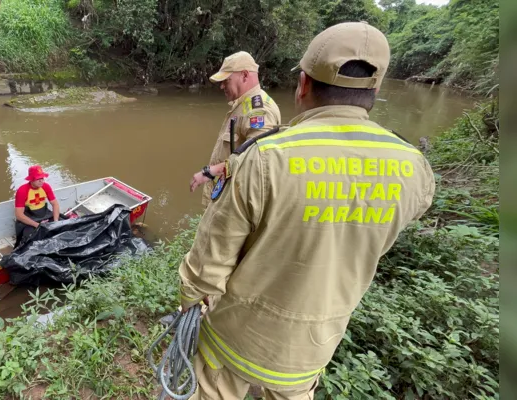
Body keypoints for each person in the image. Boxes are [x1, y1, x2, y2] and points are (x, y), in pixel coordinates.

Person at [180, 22, 437, 400]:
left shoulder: (266, 158)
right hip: (313, 347)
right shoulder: (414, 167)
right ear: (376, 89)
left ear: (303, 85)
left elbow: (210, 261)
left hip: (236, 337)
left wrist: (190, 301)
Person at [191, 51, 282, 206]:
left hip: (237, 203)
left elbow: (258, 162)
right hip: (227, 198)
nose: (221, 86)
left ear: (245, 75)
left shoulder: (258, 111)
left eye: (226, 80)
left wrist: (210, 172)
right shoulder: (242, 105)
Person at [14, 165, 60, 247]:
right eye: (38, 179)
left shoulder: (46, 186)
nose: (41, 181)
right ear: (31, 179)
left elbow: (55, 204)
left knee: (61, 227)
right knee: (30, 239)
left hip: (45, 214)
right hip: (30, 218)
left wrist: (56, 221)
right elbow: (19, 215)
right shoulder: (22, 190)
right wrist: (38, 225)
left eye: (42, 178)